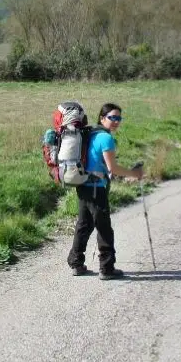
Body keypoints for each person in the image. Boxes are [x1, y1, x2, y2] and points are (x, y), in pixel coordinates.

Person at [66, 103, 143, 280]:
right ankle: (107, 269)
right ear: (102, 118)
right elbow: (113, 169)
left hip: (83, 184)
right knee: (104, 228)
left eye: (118, 118)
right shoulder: (106, 139)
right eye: (112, 118)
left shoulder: (91, 134)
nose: (116, 121)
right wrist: (134, 173)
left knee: (84, 224)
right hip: (96, 189)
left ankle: (76, 263)